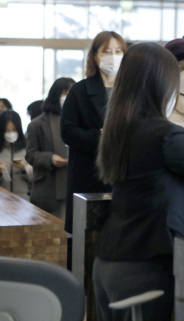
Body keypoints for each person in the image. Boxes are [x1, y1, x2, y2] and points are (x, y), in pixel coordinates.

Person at [93, 43, 184, 321]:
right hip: (144, 266)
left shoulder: (119, 129)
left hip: (108, 262)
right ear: (161, 85)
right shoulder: (166, 136)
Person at [61, 31, 126, 234]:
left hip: (123, 176)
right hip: (88, 176)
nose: (113, 56)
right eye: (107, 51)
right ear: (95, 57)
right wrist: (100, 135)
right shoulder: (79, 91)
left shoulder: (130, 91)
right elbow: (67, 132)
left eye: (118, 51)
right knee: (87, 239)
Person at [26, 78, 75, 219]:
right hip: (49, 189)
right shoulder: (37, 124)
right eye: (65, 93)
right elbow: (30, 154)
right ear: (56, 94)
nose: (68, 97)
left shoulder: (81, 122)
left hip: (75, 187)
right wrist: (51, 158)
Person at [0, 111, 33, 201]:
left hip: (23, 201)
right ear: (1, 131)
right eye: (7, 130)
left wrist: (25, 168)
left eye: (14, 130)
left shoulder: (28, 150)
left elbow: (37, 179)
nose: (10, 133)